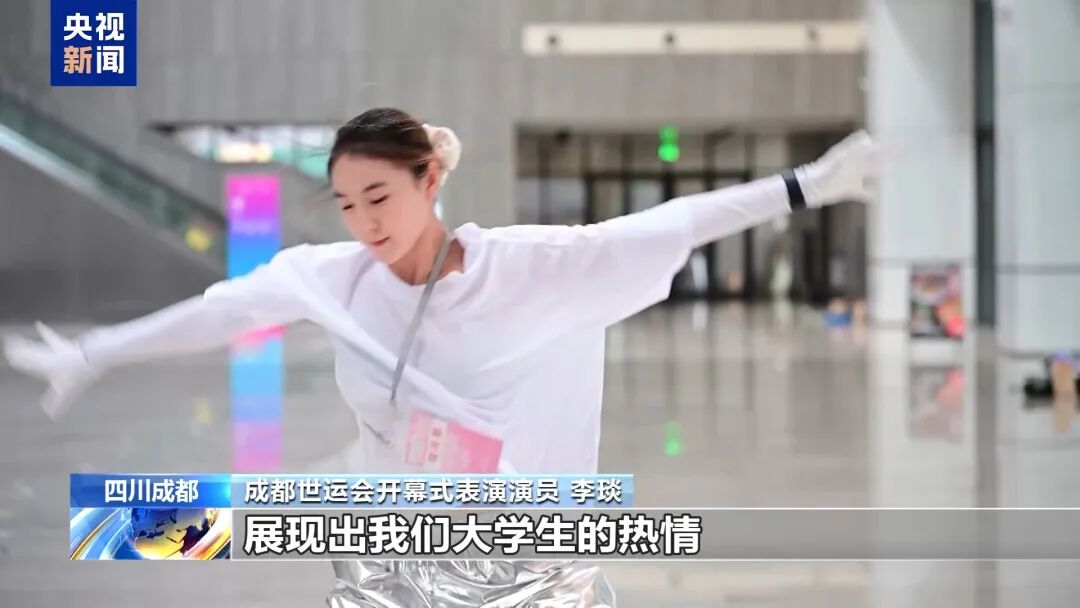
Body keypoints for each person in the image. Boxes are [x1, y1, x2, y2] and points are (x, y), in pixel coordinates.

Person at [4, 108, 877, 607]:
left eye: (379, 196)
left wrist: (807, 186)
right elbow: (218, 314)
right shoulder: (331, 278)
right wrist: (91, 353)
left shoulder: (528, 267)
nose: (364, 222)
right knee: (143, 524)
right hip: (395, 539)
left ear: (429, 180)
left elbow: (670, 223)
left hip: (529, 548)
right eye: (347, 203)